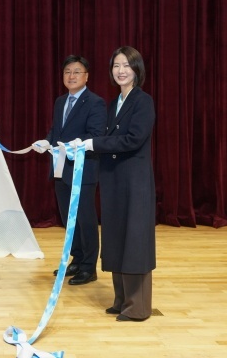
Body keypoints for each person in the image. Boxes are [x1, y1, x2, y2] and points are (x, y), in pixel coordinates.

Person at [80, 46, 156, 321]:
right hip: (114, 180)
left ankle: (137, 308)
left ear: (137, 69)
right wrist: (82, 144)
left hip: (134, 183)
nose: (121, 71)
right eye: (116, 66)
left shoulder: (143, 101)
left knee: (134, 240)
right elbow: (107, 140)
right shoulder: (114, 104)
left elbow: (133, 139)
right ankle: (121, 300)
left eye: (126, 65)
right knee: (116, 238)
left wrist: (94, 144)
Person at [33, 55, 107, 285]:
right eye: (67, 72)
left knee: (85, 219)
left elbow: (96, 135)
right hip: (60, 168)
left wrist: (75, 144)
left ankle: (89, 267)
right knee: (68, 218)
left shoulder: (95, 102)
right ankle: (77, 258)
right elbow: (56, 130)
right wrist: (46, 141)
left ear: (86, 76)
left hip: (82, 170)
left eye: (77, 72)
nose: (71, 76)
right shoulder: (60, 101)